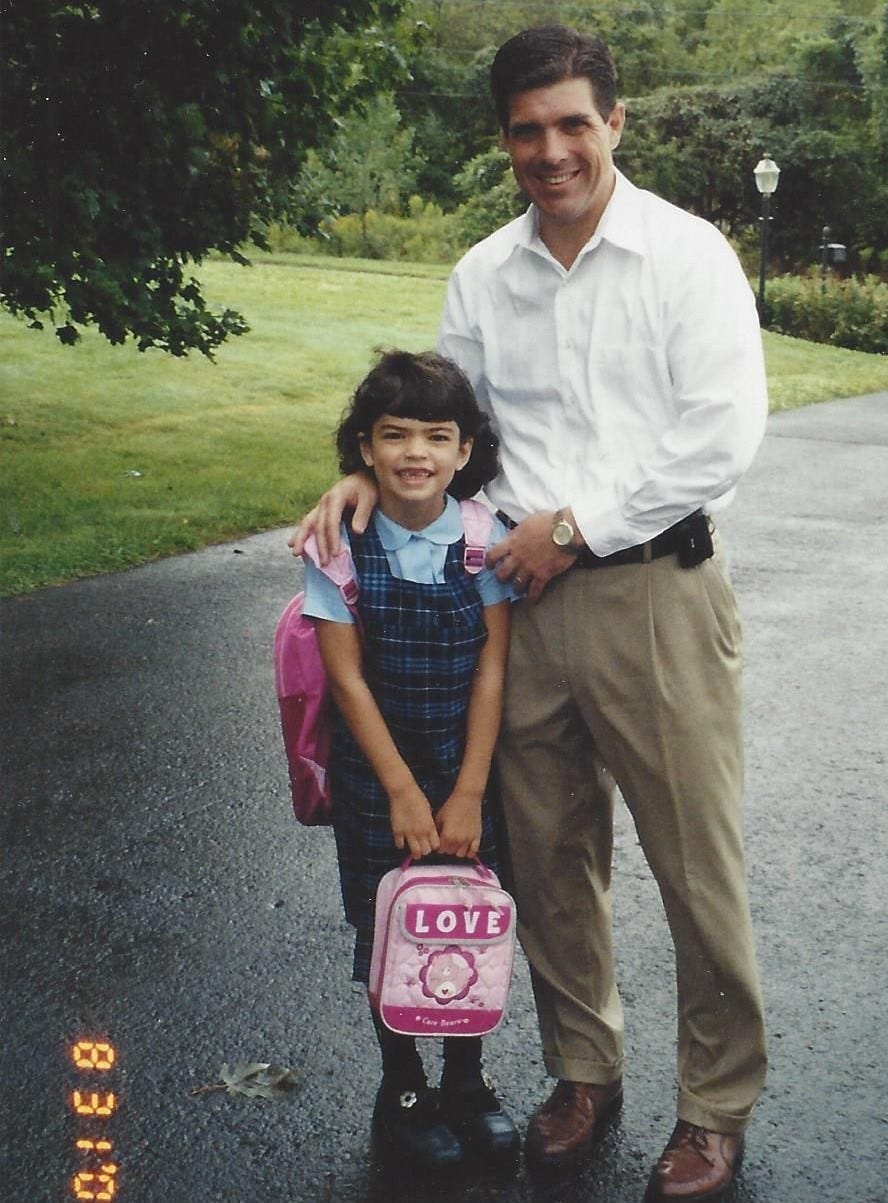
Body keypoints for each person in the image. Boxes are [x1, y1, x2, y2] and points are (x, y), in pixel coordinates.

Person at [293, 26, 768, 1202]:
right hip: (504, 611)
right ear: (505, 137)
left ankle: (714, 1108)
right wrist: (368, 474)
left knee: (692, 865)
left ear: (615, 122)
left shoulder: (686, 255)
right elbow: (447, 424)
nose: (550, 150)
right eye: (526, 129)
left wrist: (575, 526)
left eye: (571, 123)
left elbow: (719, 433)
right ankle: (580, 1071)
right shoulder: (481, 274)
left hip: (652, 591)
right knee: (545, 859)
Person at [301, 348, 519, 1170]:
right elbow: (345, 677)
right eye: (394, 435)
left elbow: (493, 667)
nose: (415, 453)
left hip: (465, 770)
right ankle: (401, 1086)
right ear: (365, 447)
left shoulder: (484, 538)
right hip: (376, 777)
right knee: (387, 925)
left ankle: (466, 1078)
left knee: (468, 923)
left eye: (437, 435)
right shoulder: (338, 545)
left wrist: (468, 789)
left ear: (465, 451)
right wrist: (399, 787)